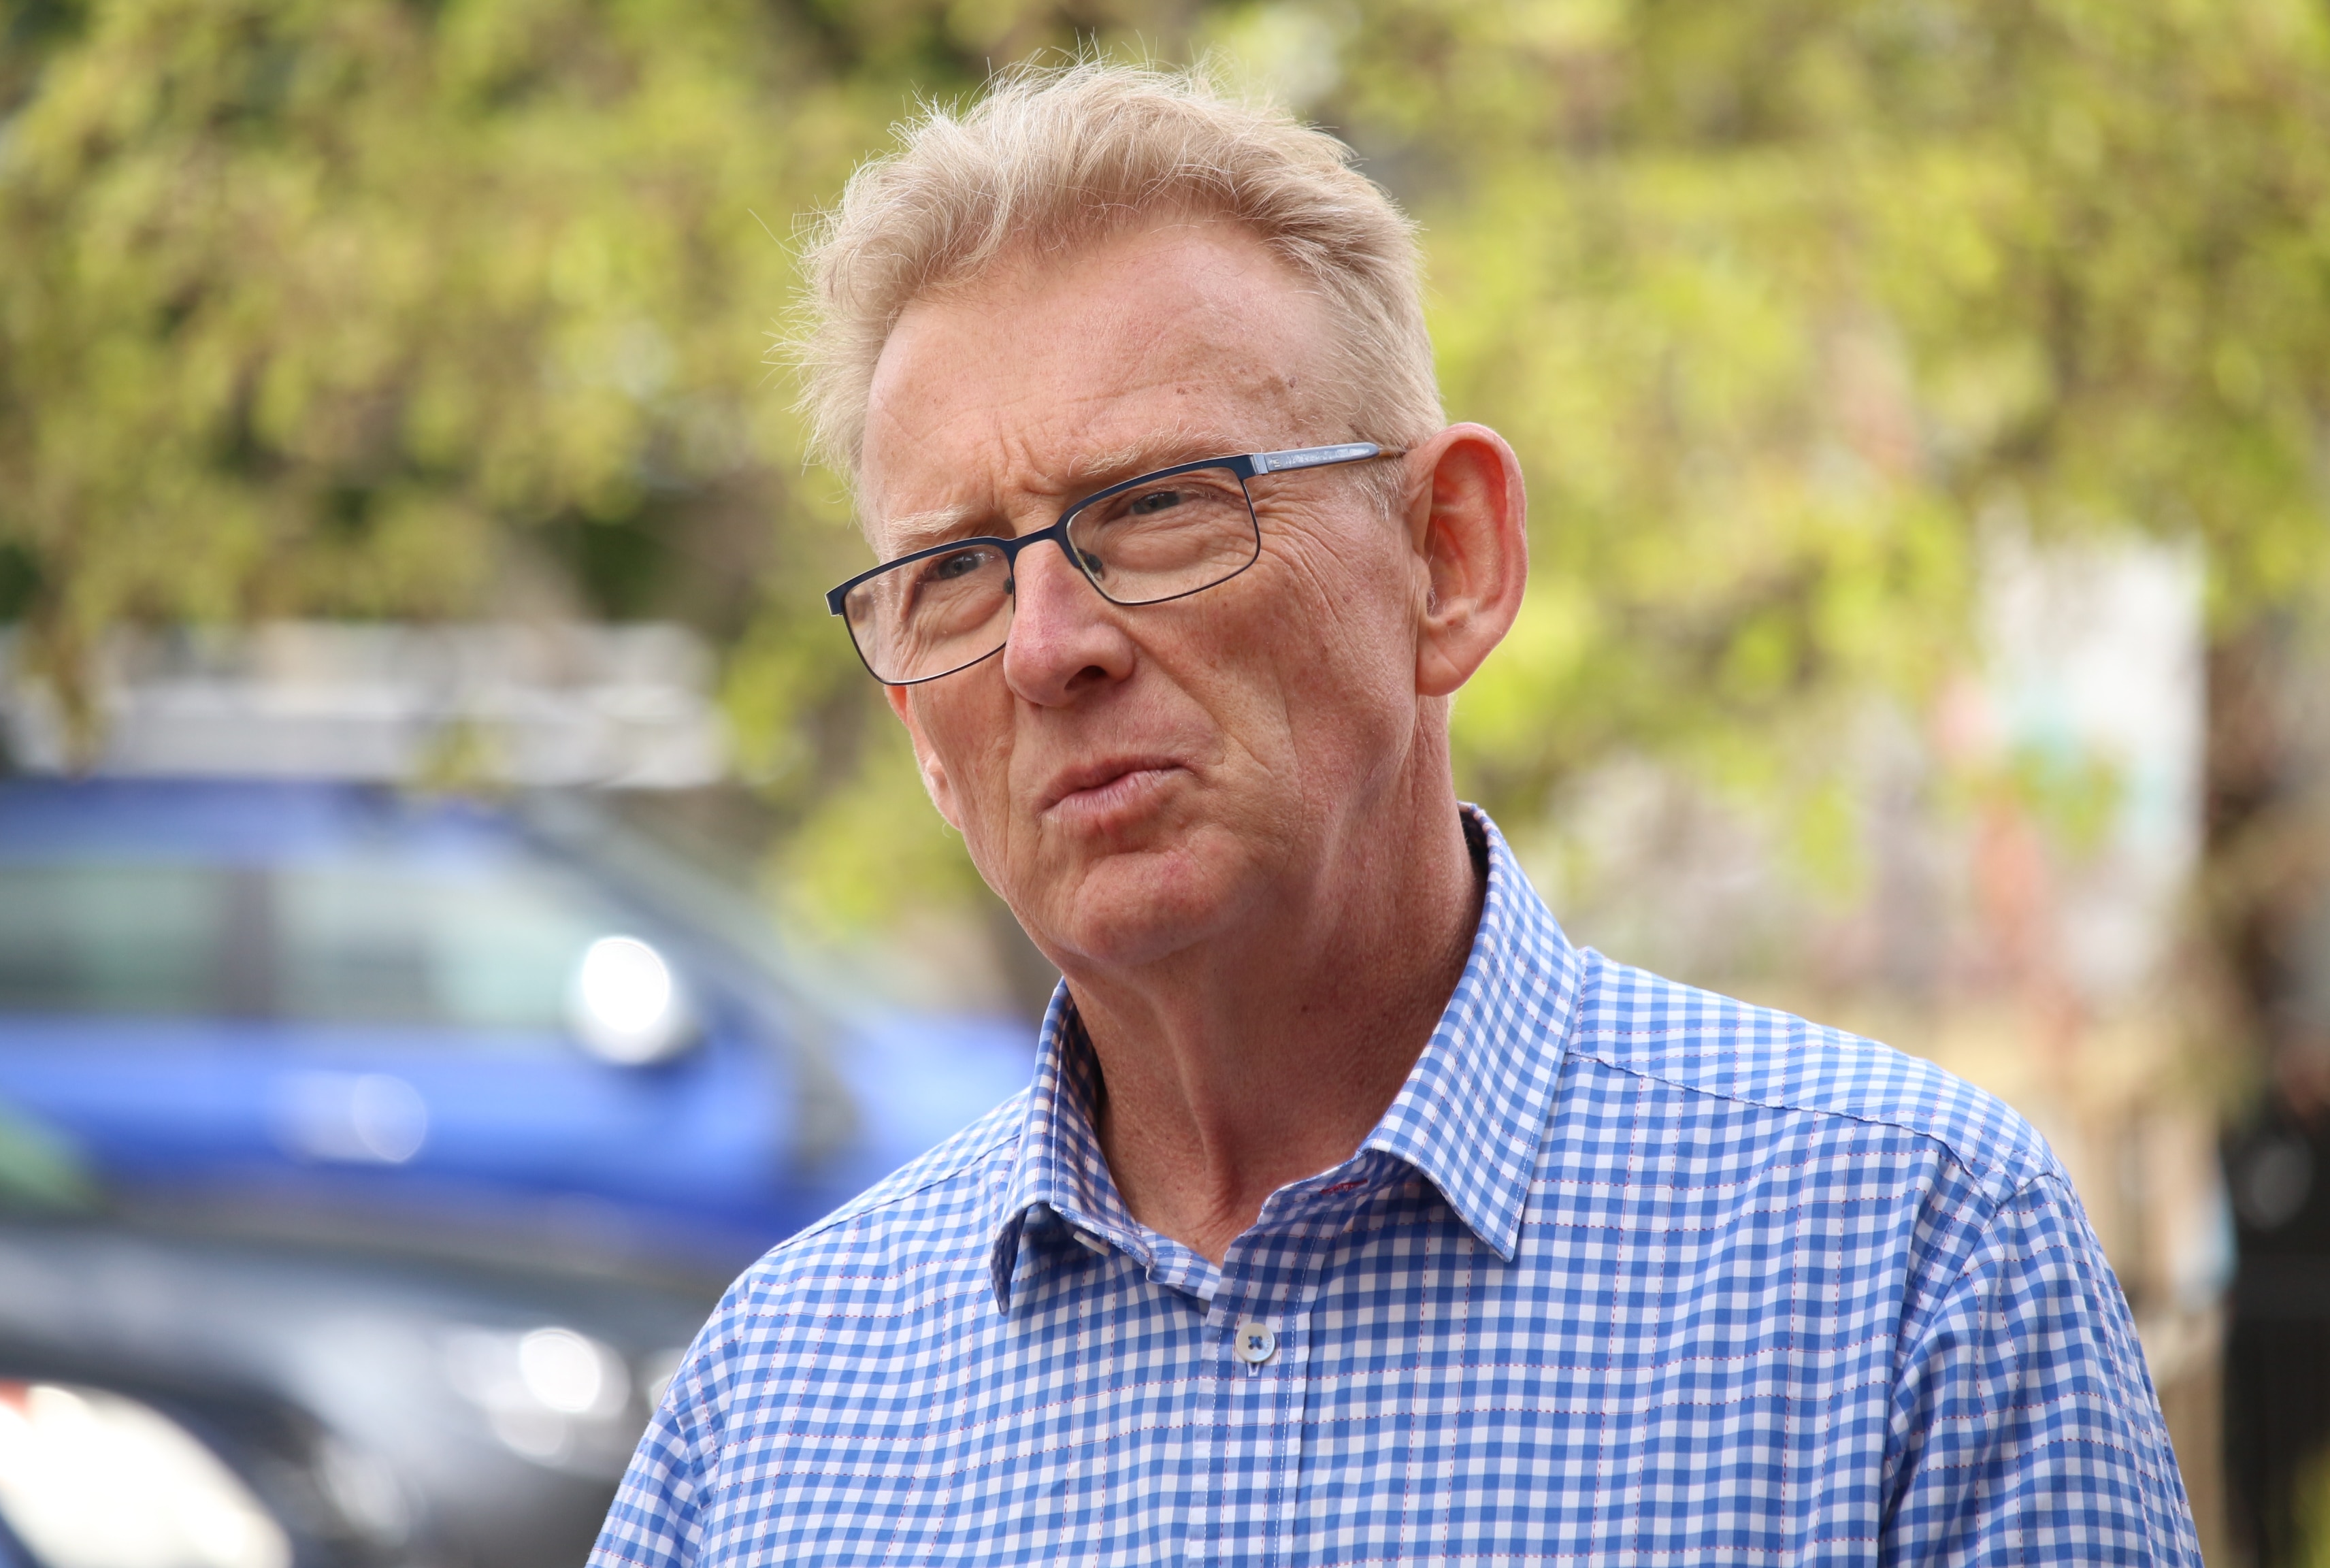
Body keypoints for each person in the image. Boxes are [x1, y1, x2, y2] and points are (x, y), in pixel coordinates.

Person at [591, 64, 2199, 1566]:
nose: (1045, 646)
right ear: (914, 729)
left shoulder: (1904, 1265)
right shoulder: (776, 1417)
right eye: (953, 572)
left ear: (1450, 558)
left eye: (1155, 509)